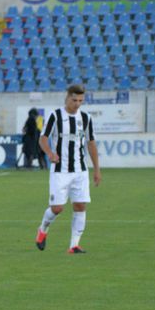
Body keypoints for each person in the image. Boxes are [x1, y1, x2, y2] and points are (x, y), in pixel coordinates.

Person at [35, 84, 101, 254]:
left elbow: (91, 143)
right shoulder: (55, 116)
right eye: (74, 100)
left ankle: (74, 245)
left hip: (80, 170)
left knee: (80, 206)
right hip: (60, 170)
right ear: (67, 98)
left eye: (80, 100)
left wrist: (97, 169)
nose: (77, 104)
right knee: (57, 208)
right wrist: (50, 153)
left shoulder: (86, 119)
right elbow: (43, 139)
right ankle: (42, 229)